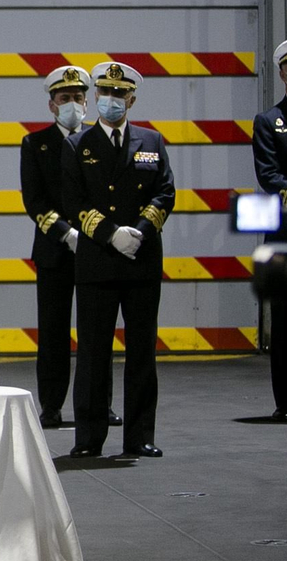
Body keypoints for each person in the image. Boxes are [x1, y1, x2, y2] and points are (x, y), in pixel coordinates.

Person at [64, 61, 174, 459]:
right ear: (96, 97)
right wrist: (112, 234)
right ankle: (88, 437)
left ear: (132, 98)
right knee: (93, 353)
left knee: (142, 351)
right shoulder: (79, 145)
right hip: (97, 262)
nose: (110, 101)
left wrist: (141, 230)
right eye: (104, 93)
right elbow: (73, 201)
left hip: (141, 260)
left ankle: (140, 435)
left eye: (118, 94)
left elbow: (166, 193)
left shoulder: (152, 141)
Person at [21, 65, 120, 430]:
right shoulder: (35, 144)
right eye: (65, 99)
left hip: (96, 249)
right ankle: (51, 405)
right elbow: (34, 201)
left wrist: (98, 234)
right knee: (53, 332)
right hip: (54, 250)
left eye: (79, 98)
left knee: (97, 333)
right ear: (52, 105)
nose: (73, 105)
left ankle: (100, 405)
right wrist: (66, 232)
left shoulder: (100, 140)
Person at [249, 38, 287, 422]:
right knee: (285, 322)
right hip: (285, 236)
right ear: (281, 73)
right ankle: (286, 401)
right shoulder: (269, 121)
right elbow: (269, 175)